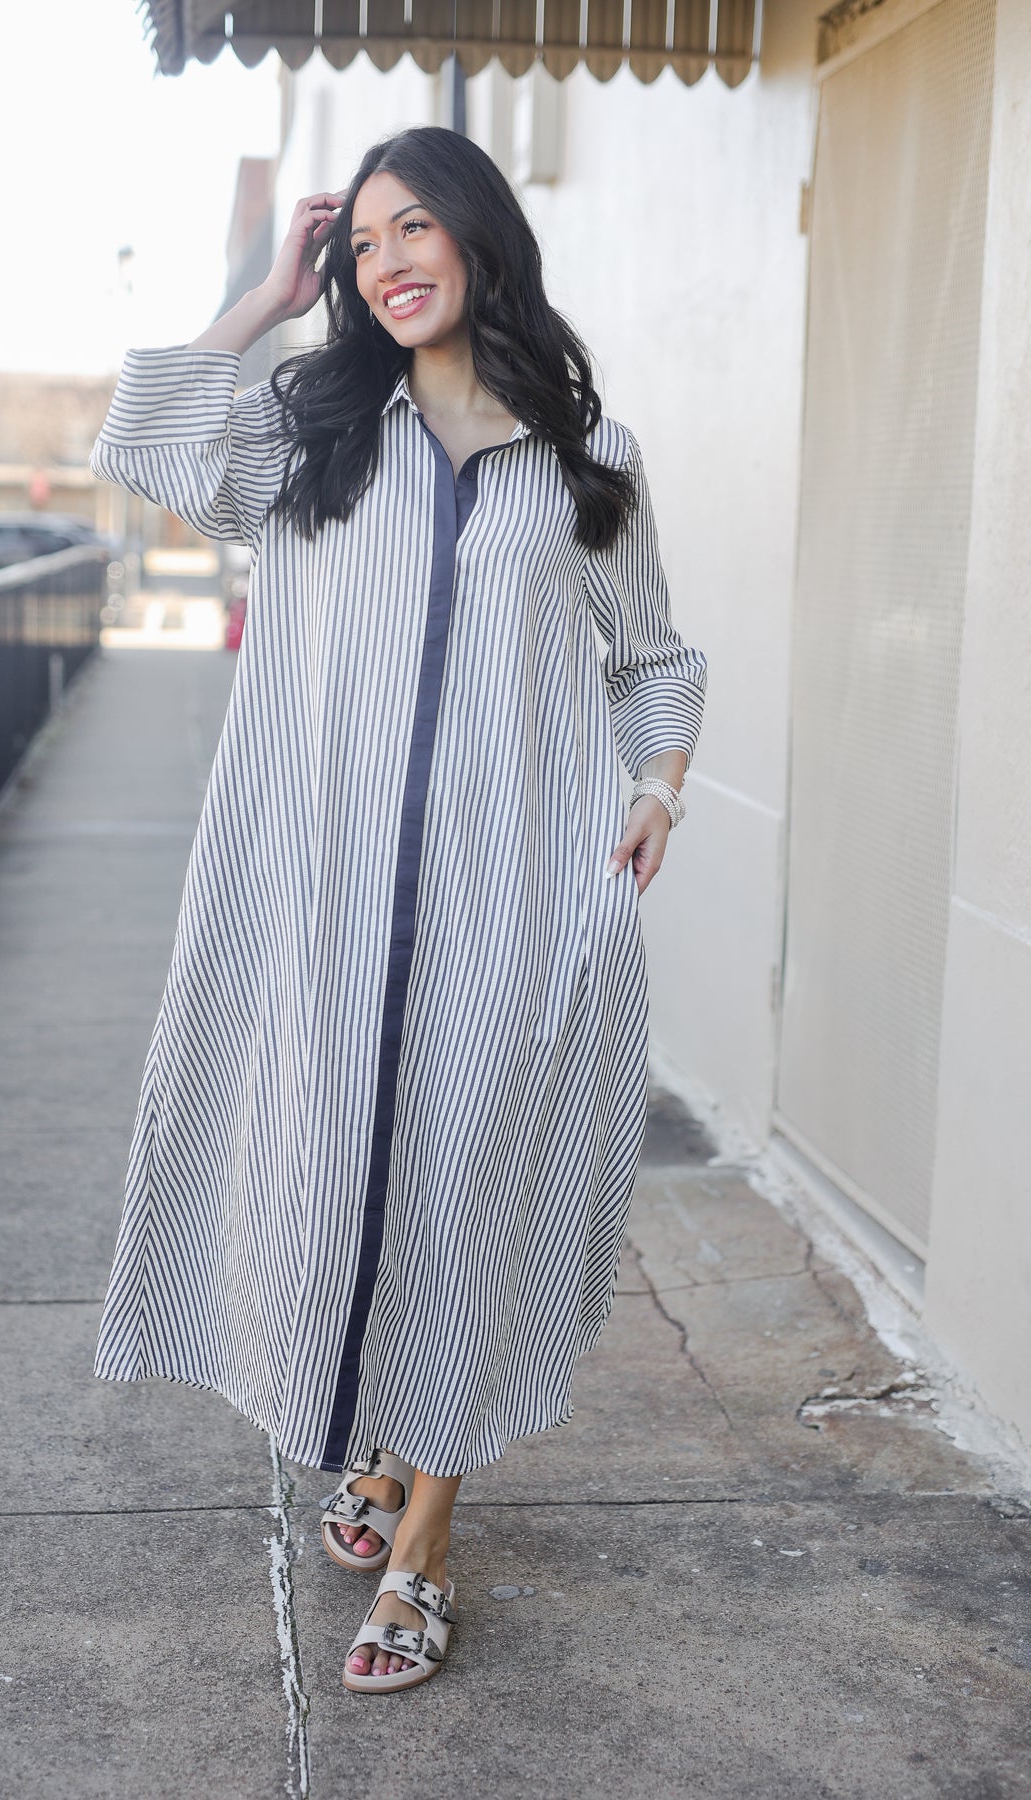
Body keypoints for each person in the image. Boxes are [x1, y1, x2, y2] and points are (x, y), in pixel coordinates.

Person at [90, 125, 707, 1695]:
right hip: (321, 904)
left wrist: (657, 789)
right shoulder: (311, 436)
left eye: (413, 226)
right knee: (330, 1176)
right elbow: (151, 436)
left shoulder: (588, 462)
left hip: (511, 910)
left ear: (482, 240)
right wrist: (265, 296)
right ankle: (371, 1442)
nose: (386, 262)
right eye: (361, 244)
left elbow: (652, 658)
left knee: (465, 1205)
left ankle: (425, 1542)